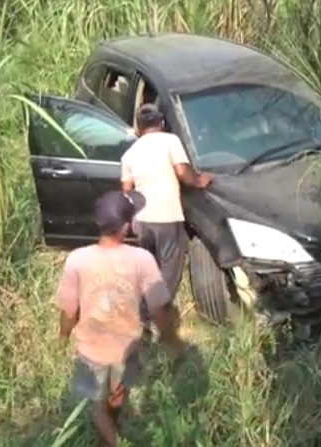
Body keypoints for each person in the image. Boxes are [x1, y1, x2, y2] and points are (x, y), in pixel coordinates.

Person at [55, 190, 187, 447]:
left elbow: (69, 311)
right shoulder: (142, 259)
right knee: (114, 399)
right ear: (127, 226)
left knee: (100, 405)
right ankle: (112, 439)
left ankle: (110, 441)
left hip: (91, 350)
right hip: (126, 349)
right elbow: (159, 309)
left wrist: (62, 337)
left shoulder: (77, 259)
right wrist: (172, 340)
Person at [120, 104, 212, 309]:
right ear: (161, 123)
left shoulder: (129, 154)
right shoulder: (171, 141)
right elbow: (182, 172)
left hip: (143, 221)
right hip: (167, 217)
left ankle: (142, 311)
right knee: (169, 271)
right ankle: (154, 315)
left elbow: (126, 189)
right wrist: (199, 181)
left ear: (138, 127)